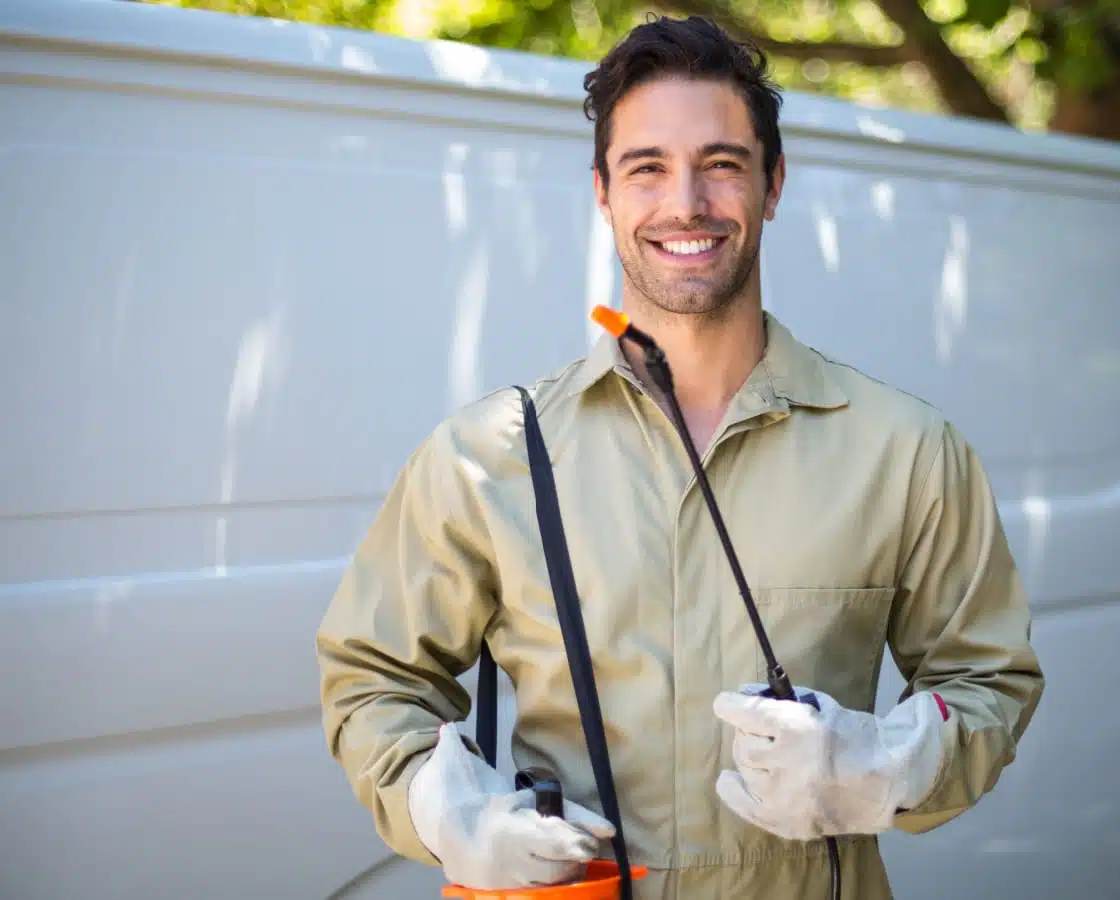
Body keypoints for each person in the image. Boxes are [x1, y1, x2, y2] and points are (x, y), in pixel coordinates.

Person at [315, 14, 1044, 899]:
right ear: (603, 192)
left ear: (774, 184)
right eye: (647, 167)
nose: (686, 203)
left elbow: (988, 685)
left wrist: (883, 762)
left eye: (723, 164)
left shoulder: (909, 451)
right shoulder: (484, 456)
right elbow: (373, 677)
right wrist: (447, 808)